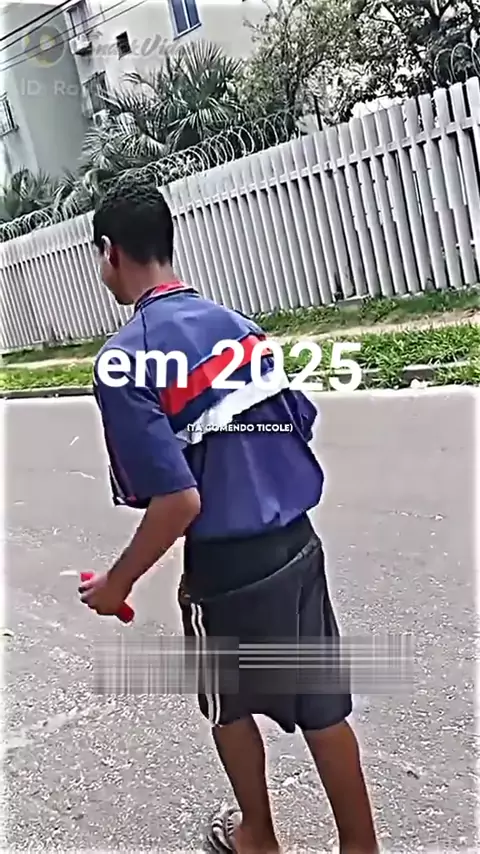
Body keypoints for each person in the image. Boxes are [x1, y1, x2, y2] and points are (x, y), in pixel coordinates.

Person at [79, 174, 378, 854]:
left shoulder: (126, 360)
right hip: (298, 546)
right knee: (324, 708)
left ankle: (258, 837)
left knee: (228, 705)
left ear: (110, 252)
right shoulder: (241, 329)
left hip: (227, 570)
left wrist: (117, 584)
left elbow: (178, 500)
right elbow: (295, 424)